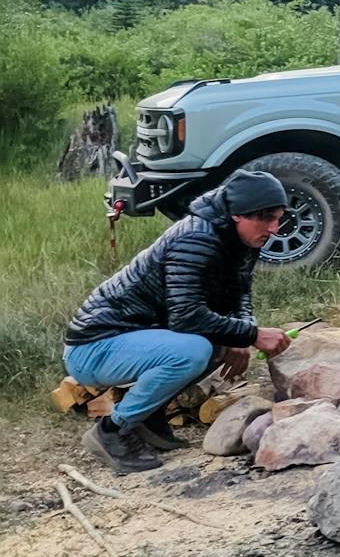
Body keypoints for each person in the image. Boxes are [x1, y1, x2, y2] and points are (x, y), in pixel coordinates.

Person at [62, 168, 296, 473]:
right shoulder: (196, 238)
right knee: (194, 350)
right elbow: (186, 317)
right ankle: (112, 431)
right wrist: (250, 334)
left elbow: (240, 294)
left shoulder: (239, 239)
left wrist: (242, 334)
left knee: (213, 345)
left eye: (278, 218)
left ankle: (148, 417)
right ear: (239, 214)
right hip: (94, 347)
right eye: (268, 219)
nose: (275, 228)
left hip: (138, 338)